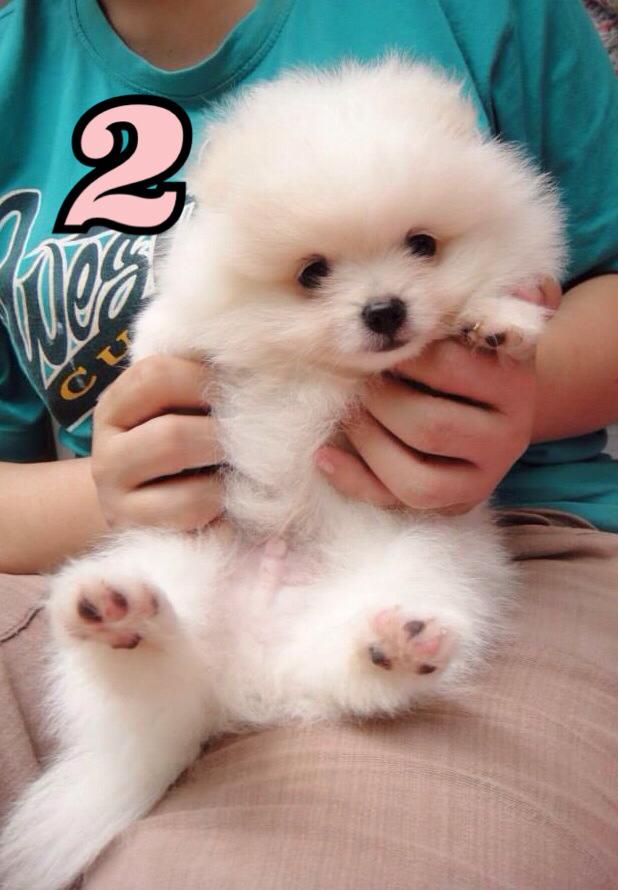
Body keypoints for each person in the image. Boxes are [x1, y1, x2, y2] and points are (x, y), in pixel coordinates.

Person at [0, 1, 617, 887]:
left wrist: (521, 375)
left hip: (513, 530)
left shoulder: (488, 17)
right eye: (315, 274)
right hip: (181, 539)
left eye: (420, 246)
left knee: (416, 571)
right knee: (167, 584)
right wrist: (115, 483)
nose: (383, 302)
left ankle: (361, 658)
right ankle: (146, 653)